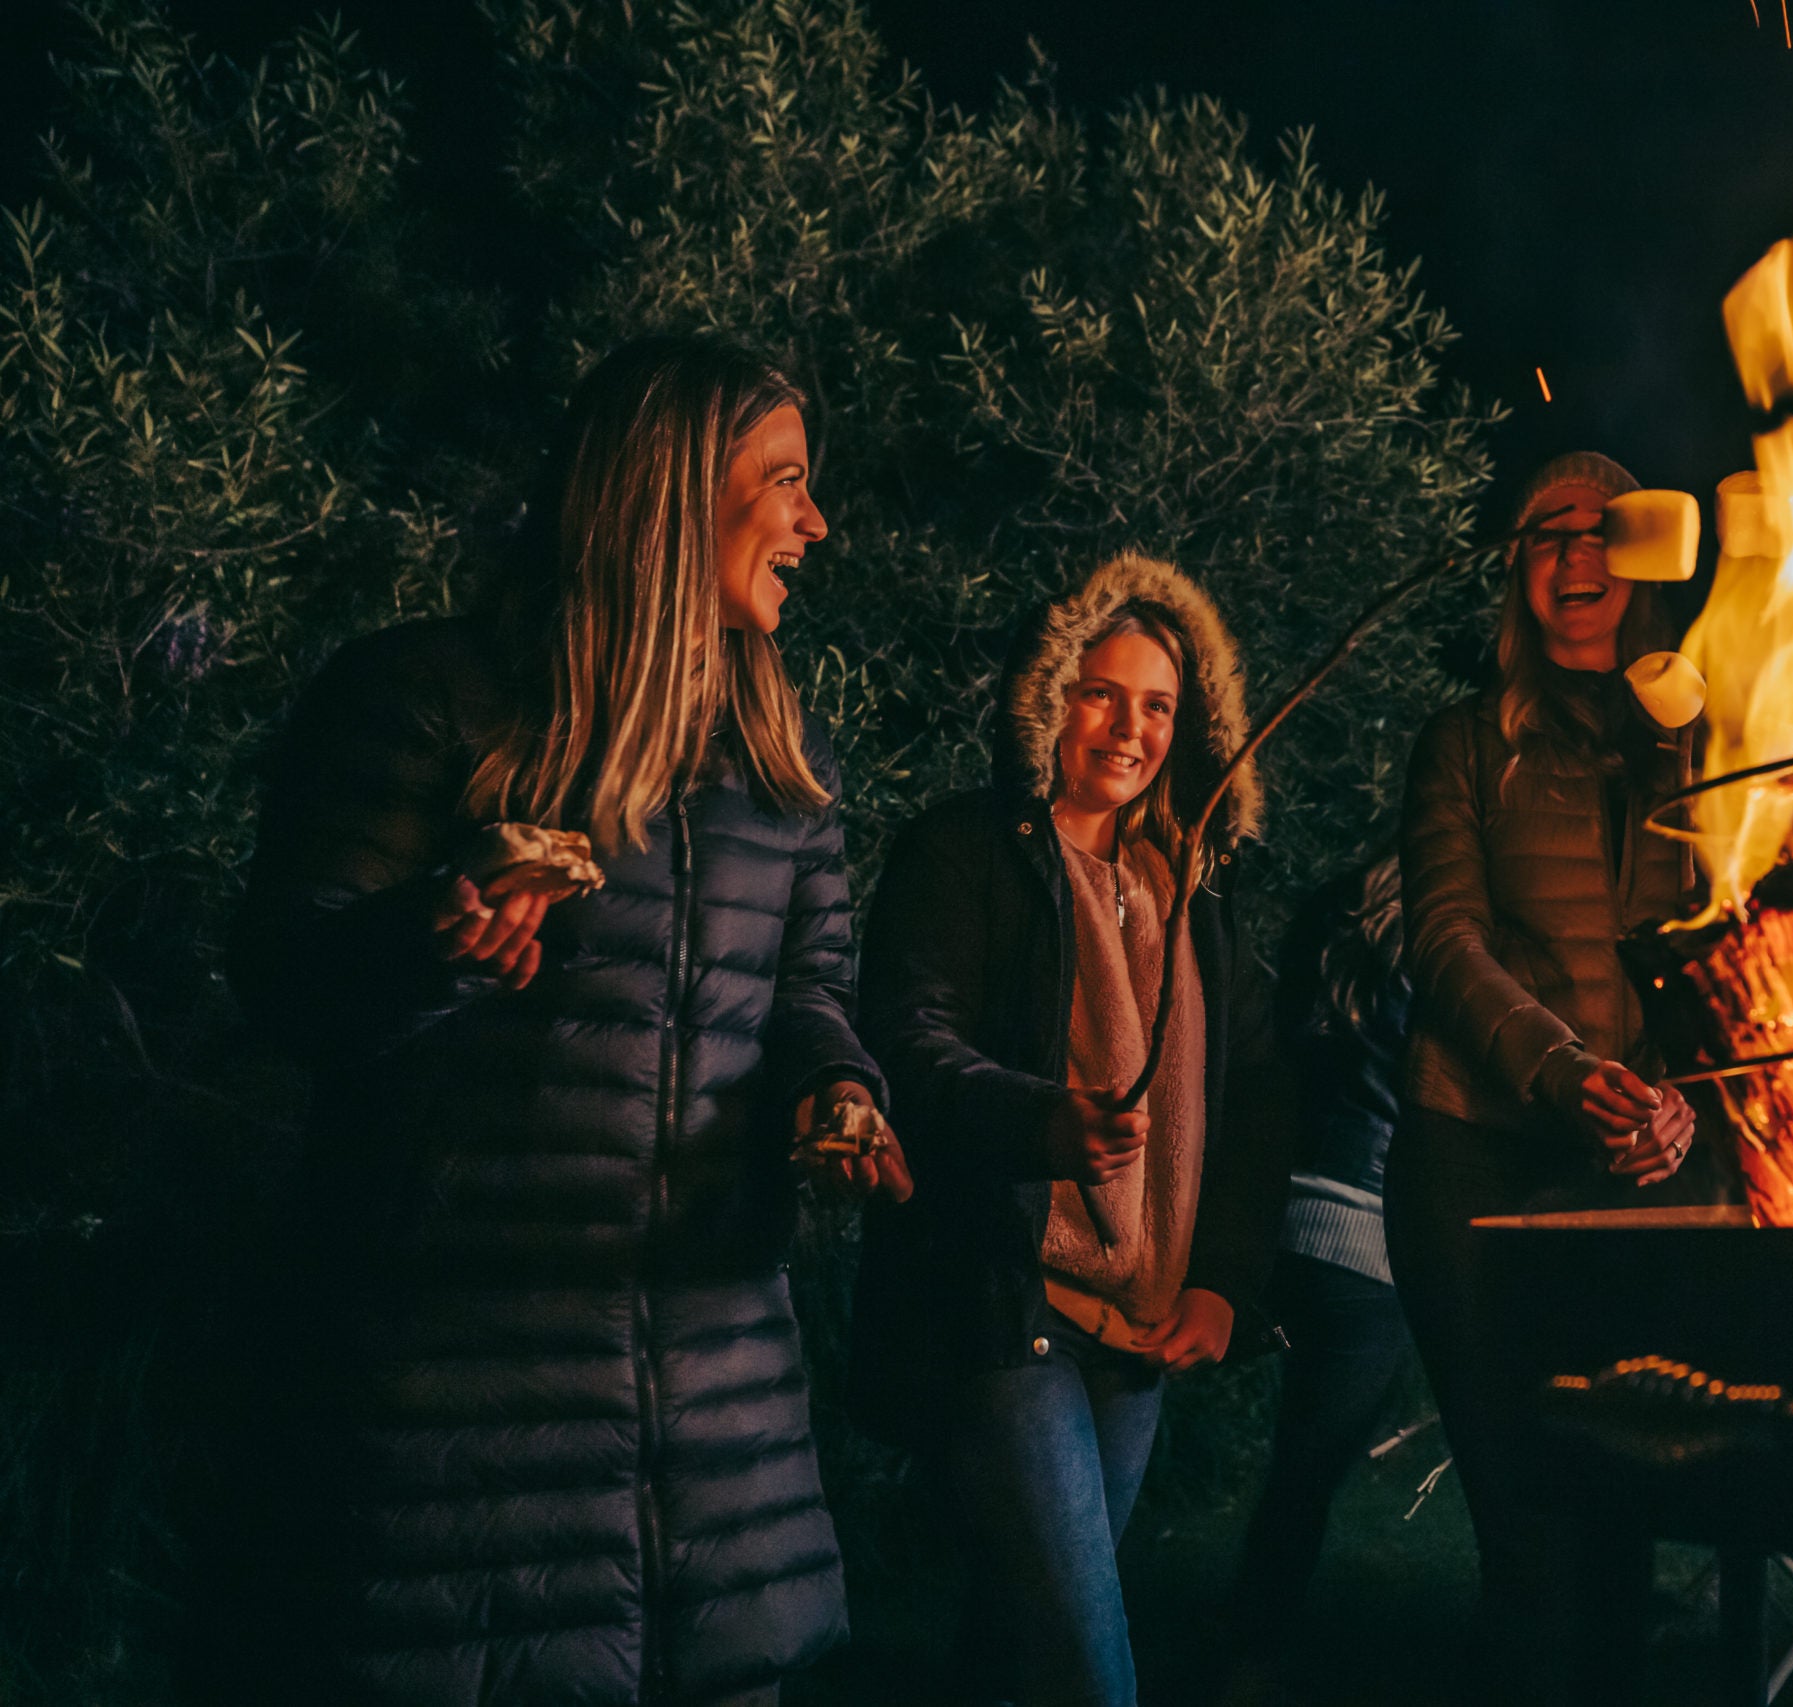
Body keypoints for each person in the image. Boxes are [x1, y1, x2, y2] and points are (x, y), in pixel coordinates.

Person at [229, 335, 907, 1704]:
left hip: (720, 1451)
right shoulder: (423, 699)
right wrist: (438, 934)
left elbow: (813, 992)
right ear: (671, 489)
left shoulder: (787, 757)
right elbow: (286, 980)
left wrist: (837, 1091)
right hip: (465, 1459)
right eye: (784, 481)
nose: (815, 522)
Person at [853, 553, 1295, 1707]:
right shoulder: (964, 854)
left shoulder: (1197, 886)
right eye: (1102, 692)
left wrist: (1227, 1284)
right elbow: (908, 1036)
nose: (1128, 728)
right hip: (1008, 1300)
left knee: (1015, 1643)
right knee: (1090, 1668)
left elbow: (1252, 1097)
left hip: (1141, 1323)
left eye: (1158, 706)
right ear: (1049, 696)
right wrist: (1039, 1121)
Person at [1389, 451, 1706, 1699]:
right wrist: (1568, 1072)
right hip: (1472, 1156)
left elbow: (1730, 960)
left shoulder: (1700, 745)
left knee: (1624, 1518)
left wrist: (1681, 1104)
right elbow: (1443, 943)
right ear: (1514, 573)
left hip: (1638, 1171)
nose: (1577, 558)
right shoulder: (1463, 745)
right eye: (1543, 535)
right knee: (1528, 1525)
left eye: (1601, 533)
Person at [1220, 854, 1417, 1698]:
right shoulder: (1445, 945)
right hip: (1365, 1234)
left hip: (1278, 1209)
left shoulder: (1332, 909)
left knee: (1298, 1459)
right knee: (1308, 1470)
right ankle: (1247, 1661)